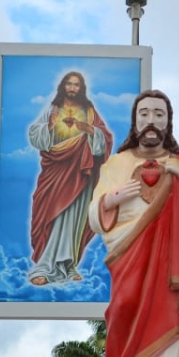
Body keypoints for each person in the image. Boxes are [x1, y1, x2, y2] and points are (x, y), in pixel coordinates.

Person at [88, 89, 179, 357]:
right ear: (134, 121)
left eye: (159, 114)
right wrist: (112, 198)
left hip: (171, 263)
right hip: (128, 256)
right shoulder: (117, 163)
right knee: (124, 310)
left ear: (168, 122)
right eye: (144, 114)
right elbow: (95, 216)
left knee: (172, 315)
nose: (151, 121)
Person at [27, 71, 114, 287]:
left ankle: (68, 265)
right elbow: (34, 134)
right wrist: (49, 126)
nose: (72, 88)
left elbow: (106, 137)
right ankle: (44, 266)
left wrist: (91, 131)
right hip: (56, 171)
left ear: (81, 88)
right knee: (52, 213)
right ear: (63, 86)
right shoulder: (53, 110)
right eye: (69, 84)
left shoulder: (90, 112)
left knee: (74, 218)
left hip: (79, 173)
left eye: (76, 85)